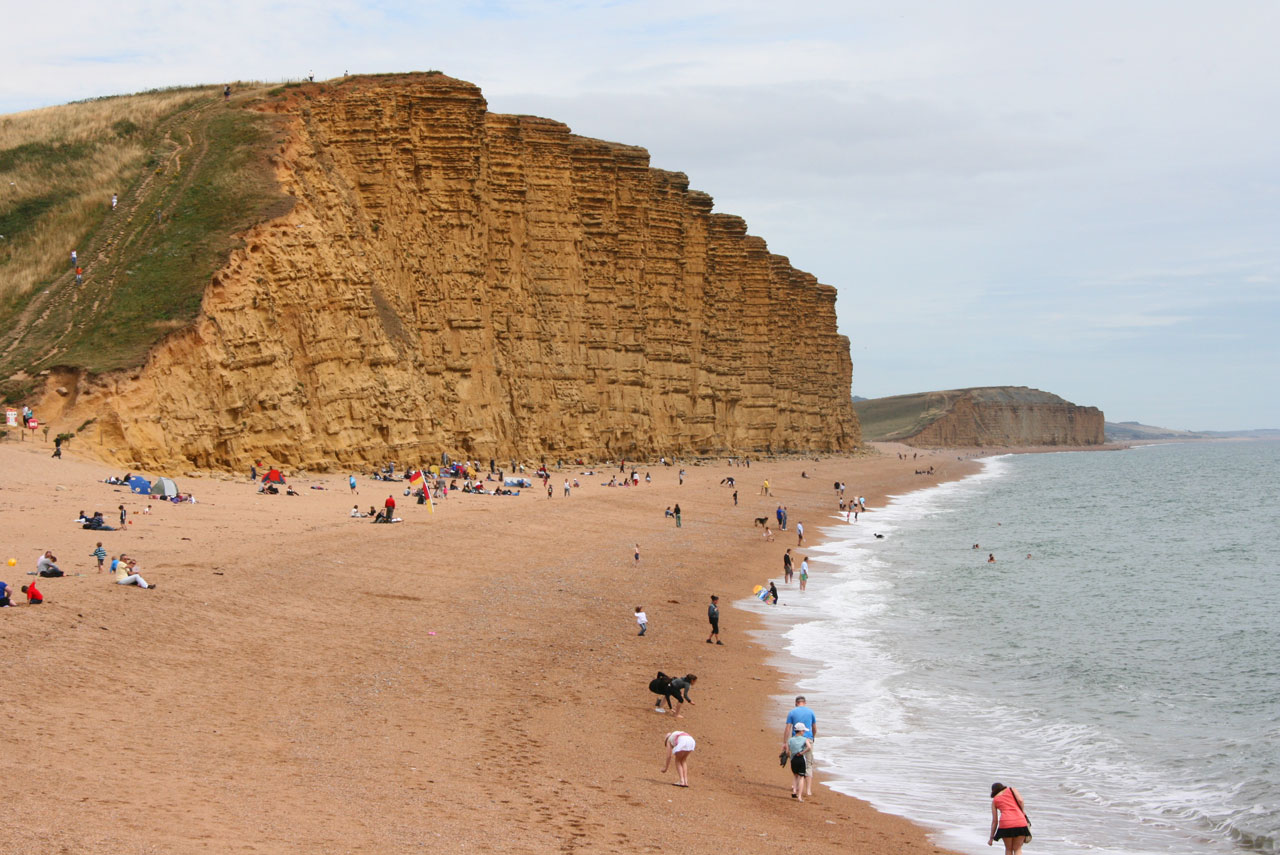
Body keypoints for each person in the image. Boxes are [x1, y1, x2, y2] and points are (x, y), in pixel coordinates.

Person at [783, 696, 817, 798]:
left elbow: (788, 728)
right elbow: (814, 728)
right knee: (808, 764)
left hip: (795, 740)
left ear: (796, 703)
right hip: (808, 739)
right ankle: (808, 790)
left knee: (796, 762)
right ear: (804, 702)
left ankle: (795, 787)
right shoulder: (811, 712)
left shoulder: (792, 712)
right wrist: (812, 738)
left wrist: (785, 742)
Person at [988, 783, 1031, 853]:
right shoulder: (1012, 790)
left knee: (1008, 849)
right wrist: (1022, 811)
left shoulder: (995, 801)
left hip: (1005, 823)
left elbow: (994, 821)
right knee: (1017, 848)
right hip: (1020, 821)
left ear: (993, 791)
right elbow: (1020, 800)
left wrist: (991, 838)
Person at [787, 722, 813, 801]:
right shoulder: (805, 739)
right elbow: (809, 747)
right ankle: (799, 796)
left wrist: (790, 757)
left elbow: (788, 751)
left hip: (793, 759)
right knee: (801, 777)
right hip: (800, 758)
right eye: (803, 731)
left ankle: (794, 791)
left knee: (795, 776)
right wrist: (802, 752)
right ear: (801, 731)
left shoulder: (790, 740)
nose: (804, 732)